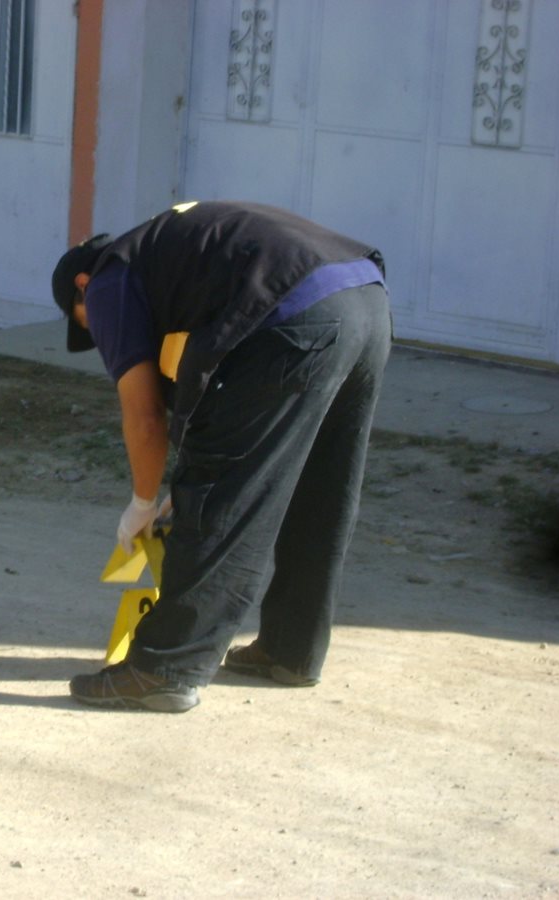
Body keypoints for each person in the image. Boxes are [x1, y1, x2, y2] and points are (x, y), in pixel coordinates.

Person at [52, 200, 391, 713]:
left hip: (295, 312)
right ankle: (291, 649)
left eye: (85, 323)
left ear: (81, 285)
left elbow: (145, 417)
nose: (98, 335)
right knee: (318, 486)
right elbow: (206, 392)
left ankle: (165, 667)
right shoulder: (173, 253)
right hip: (364, 300)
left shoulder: (106, 281)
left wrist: (144, 501)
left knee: (220, 491)